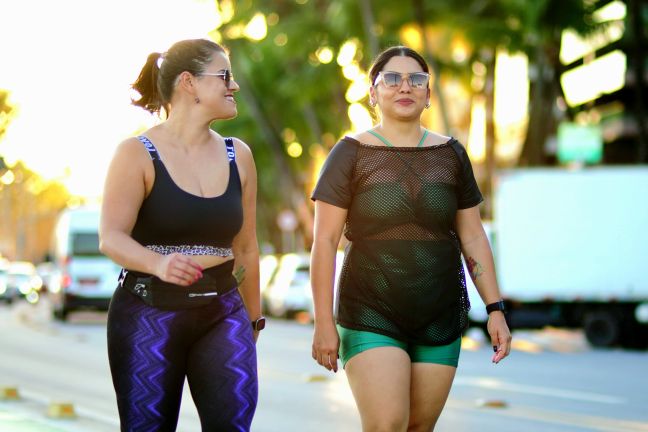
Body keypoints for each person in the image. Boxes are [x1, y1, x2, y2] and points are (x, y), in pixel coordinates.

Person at [310, 46, 511, 431]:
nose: (405, 86)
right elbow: (325, 241)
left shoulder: (451, 154)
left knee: (419, 428)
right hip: (371, 308)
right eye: (392, 78)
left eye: (417, 79)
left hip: (440, 311)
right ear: (373, 92)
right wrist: (323, 322)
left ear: (428, 93)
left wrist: (495, 307)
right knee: (387, 424)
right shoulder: (349, 153)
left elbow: (472, 235)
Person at [99, 38, 264, 432]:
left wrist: (253, 320)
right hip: (147, 311)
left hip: (222, 312)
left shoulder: (237, 154)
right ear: (188, 82)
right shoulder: (136, 153)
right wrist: (158, 263)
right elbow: (111, 237)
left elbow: (246, 247)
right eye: (224, 76)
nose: (234, 86)